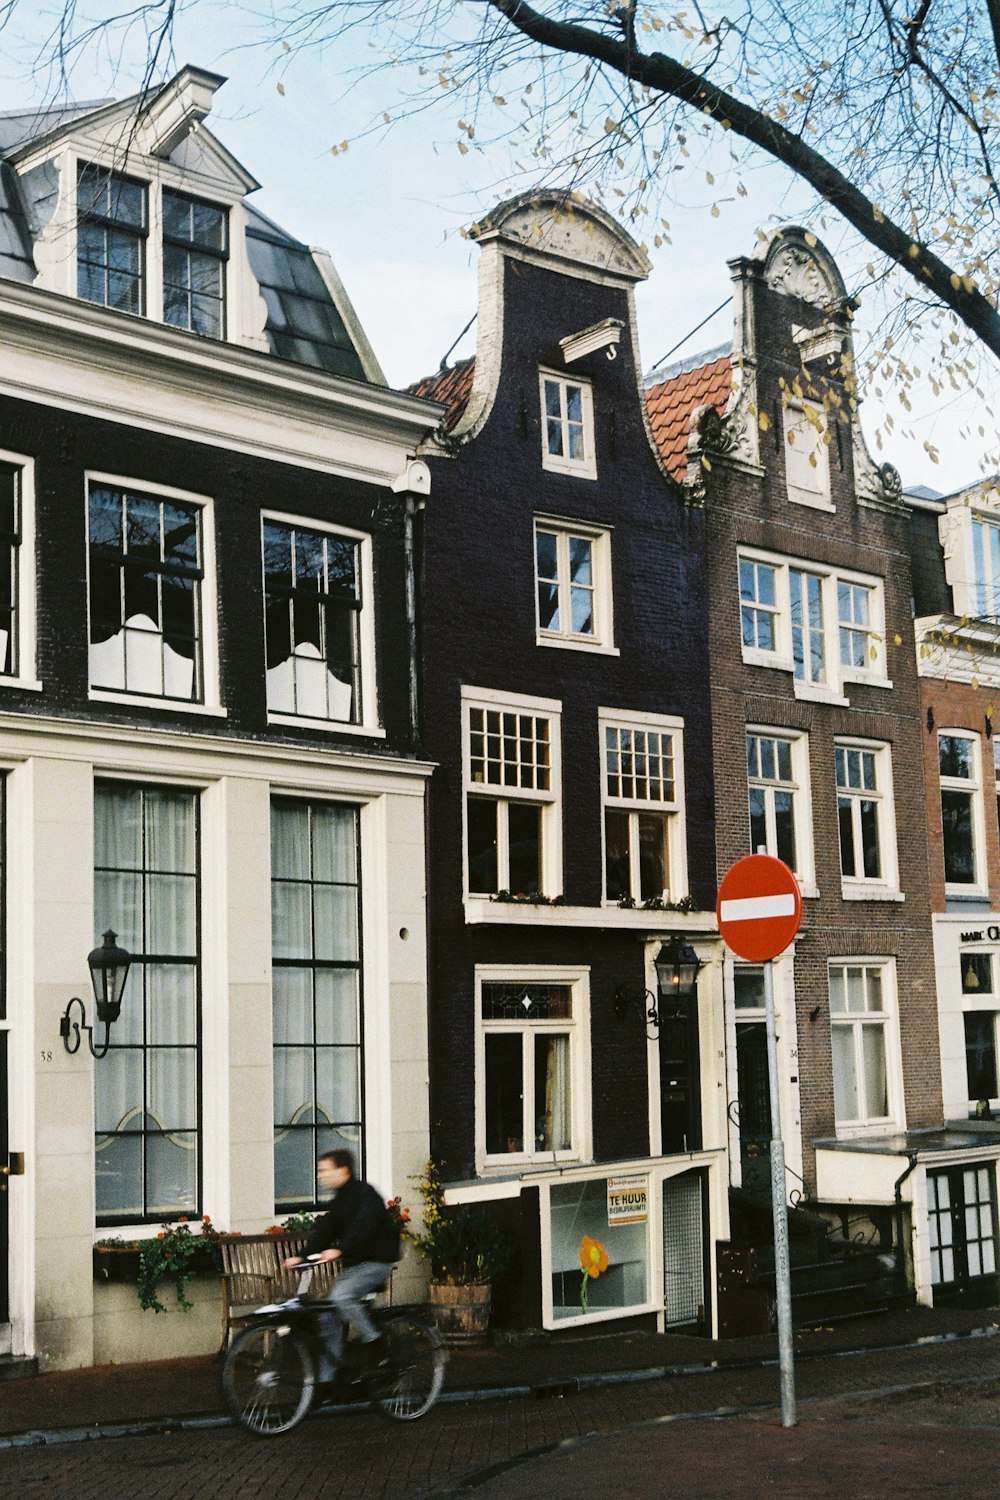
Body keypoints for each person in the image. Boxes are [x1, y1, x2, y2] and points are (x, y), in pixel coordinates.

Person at [284, 1149, 400, 1379]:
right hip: (356, 1266)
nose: (320, 1176)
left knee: (341, 1297)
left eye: (325, 1170)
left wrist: (341, 1249)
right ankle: (327, 1383)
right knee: (329, 1318)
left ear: (343, 1170)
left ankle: (376, 1342)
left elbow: (364, 1226)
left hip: (376, 1262)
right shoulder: (340, 1201)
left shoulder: (366, 1195)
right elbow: (326, 1231)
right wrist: (303, 1256)